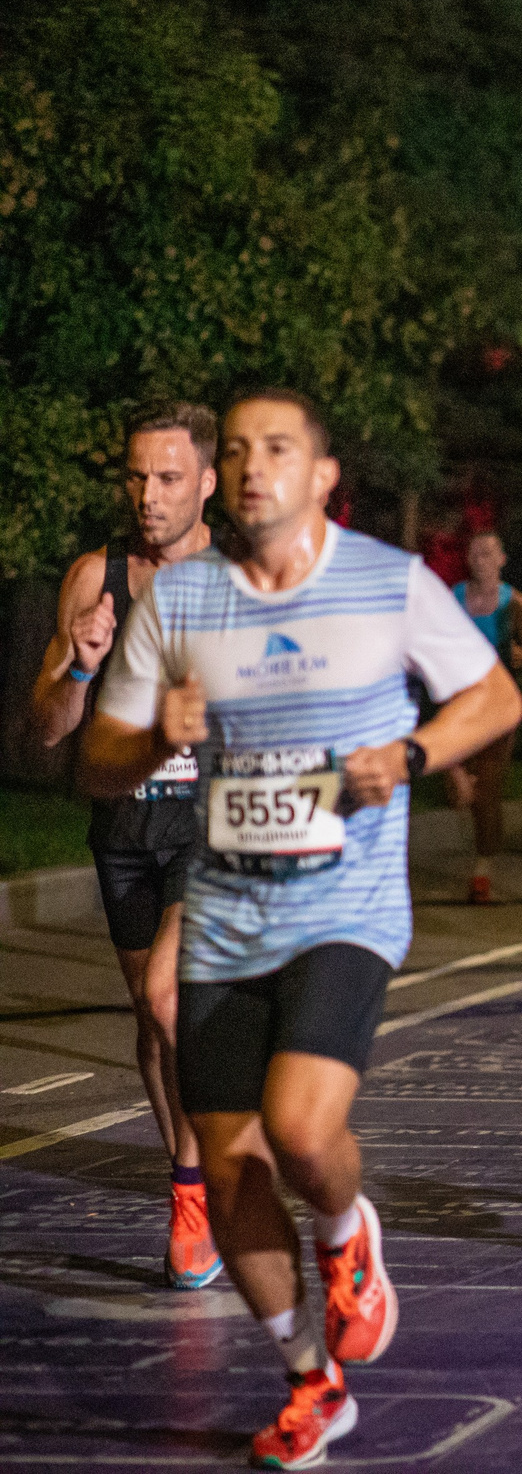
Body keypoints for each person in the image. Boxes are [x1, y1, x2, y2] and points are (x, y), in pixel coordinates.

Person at [80, 389, 522, 1468]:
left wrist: (411, 757)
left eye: (276, 449)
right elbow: (95, 759)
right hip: (229, 913)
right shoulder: (181, 602)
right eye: (234, 451)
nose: (251, 468)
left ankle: (345, 1234)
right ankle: (308, 1381)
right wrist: (148, 744)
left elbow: (496, 696)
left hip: (345, 906)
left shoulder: (385, 582)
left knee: (300, 1131)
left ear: (321, 475)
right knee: (228, 1167)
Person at [29, 403, 222, 1292]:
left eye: (170, 478)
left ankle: (197, 1186)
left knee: (167, 997)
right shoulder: (95, 577)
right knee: (154, 1022)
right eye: (139, 477)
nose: (150, 496)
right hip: (125, 830)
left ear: (207, 483)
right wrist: (77, 662)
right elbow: (45, 729)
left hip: (214, 828)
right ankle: (191, 1181)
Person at [447, 530, 522, 904]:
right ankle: (474, 847)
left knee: (487, 790)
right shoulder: (453, 599)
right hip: (456, 704)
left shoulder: (515, 604)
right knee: (458, 789)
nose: (482, 561)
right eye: (475, 554)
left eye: (489, 554)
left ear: (502, 559)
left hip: (498, 709)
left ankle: (481, 872)